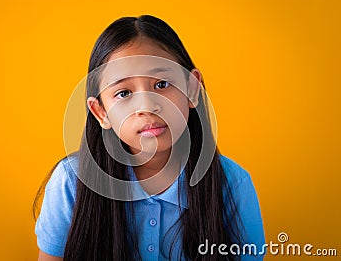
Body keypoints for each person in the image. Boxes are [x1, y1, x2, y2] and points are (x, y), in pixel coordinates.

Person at [33, 15, 265, 261]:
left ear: (192, 89)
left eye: (162, 84)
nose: (147, 106)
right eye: (123, 93)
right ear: (101, 112)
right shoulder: (71, 182)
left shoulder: (232, 183)